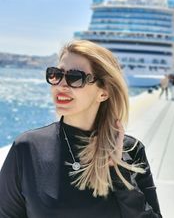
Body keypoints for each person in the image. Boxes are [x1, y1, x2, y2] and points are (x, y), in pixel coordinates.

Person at [0, 40, 162, 218]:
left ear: (103, 92)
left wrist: (118, 173)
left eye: (75, 77)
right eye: (56, 75)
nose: (61, 85)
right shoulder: (27, 148)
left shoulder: (130, 150)